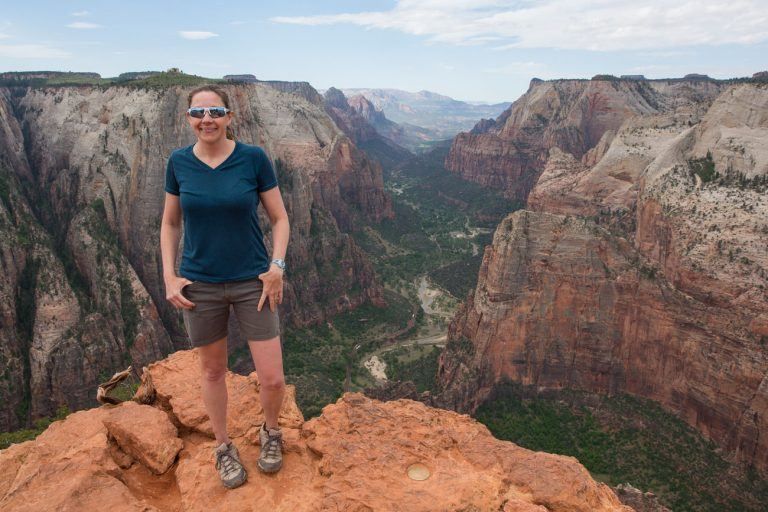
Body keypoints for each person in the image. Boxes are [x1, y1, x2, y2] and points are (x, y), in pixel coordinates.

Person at [160, 84, 290, 489]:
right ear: (188, 119)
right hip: (200, 284)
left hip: (254, 282)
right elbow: (170, 223)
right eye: (198, 113)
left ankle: (271, 432)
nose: (207, 120)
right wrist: (169, 275)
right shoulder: (178, 162)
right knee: (213, 371)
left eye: (215, 112)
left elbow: (280, 219)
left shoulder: (253, 158)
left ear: (229, 117)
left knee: (272, 377)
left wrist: (277, 266)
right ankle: (223, 446)